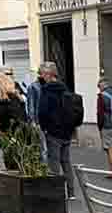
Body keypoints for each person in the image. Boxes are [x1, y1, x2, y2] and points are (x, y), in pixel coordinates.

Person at [38, 62, 76, 200]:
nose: (41, 77)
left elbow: (42, 111)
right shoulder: (64, 87)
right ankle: (71, 192)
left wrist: (44, 128)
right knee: (66, 162)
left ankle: (56, 192)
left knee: (54, 162)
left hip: (53, 131)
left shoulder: (47, 90)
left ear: (48, 74)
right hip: (67, 131)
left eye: (42, 74)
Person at [26, 67, 47, 161]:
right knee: (43, 148)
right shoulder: (33, 87)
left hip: (50, 122)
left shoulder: (49, 85)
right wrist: (33, 121)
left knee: (48, 148)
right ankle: (43, 167)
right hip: (39, 122)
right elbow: (31, 105)